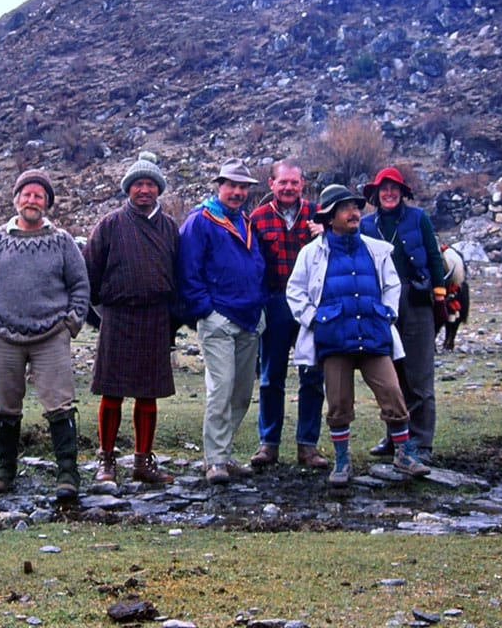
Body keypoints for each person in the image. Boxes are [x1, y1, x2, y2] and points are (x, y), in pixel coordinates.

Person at [286, 185, 430, 486]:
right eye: (345, 208)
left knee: (392, 393)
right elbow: (295, 291)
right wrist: (315, 320)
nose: (354, 213)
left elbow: (392, 285)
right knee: (338, 402)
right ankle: (341, 460)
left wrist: (387, 313)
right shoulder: (312, 253)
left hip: (373, 335)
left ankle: (404, 453)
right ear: (329, 217)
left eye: (355, 207)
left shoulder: (375, 249)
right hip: (334, 338)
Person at [0, 169, 90, 499]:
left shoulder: (62, 241)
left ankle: (67, 473)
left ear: (47, 203)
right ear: (16, 199)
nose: (31, 200)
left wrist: (71, 323)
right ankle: (4, 470)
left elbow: (80, 285)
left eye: (38, 195)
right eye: (26, 194)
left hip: (51, 335)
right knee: (7, 406)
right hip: (3, 336)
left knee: (59, 404)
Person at [83, 152, 180, 486]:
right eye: (138, 184)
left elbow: (178, 274)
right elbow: (89, 273)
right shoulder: (110, 224)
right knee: (112, 391)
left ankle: (143, 461)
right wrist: (103, 312)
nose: (144, 190)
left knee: (148, 393)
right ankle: (106, 460)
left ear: (158, 189)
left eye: (150, 184)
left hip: (156, 316)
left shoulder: (169, 227)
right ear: (128, 189)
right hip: (119, 316)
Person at [177, 158, 266, 485]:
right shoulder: (200, 220)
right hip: (218, 319)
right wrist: (205, 309)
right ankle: (214, 460)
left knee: (241, 392)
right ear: (220, 185)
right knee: (221, 388)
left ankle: (224, 453)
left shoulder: (245, 221)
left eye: (244, 187)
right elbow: (188, 270)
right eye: (233, 185)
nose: (238, 192)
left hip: (249, 318)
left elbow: (254, 263)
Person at [359, 166, 447, 464]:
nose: (388, 193)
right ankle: (395, 436)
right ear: (375, 194)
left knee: (419, 372)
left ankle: (422, 442)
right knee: (390, 374)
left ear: (402, 193)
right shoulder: (365, 225)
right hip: (381, 301)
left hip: (416, 298)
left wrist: (440, 295)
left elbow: (434, 256)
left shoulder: (418, 218)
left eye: (394, 188)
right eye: (383, 189)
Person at [249, 160, 329, 469]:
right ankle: (268, 444)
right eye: (283, 182)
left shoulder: (320, 214)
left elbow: (347, 240)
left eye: (294, 183)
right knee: (271, 377)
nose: (288, 188)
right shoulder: (257, 218)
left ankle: (307, 446)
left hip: (311, 305)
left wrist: (326, 233)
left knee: (312, 374)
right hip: (276, 302)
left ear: (302, 185)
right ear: (271, 184)